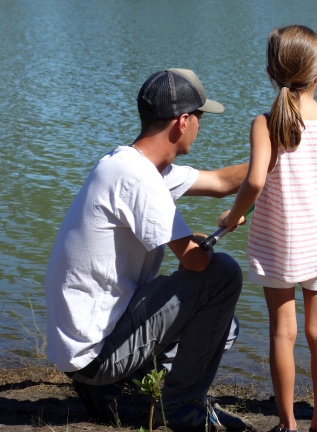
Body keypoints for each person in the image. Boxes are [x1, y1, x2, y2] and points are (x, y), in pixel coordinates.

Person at [45, 68, 250, 432]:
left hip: (86, 343)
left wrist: (275, 162)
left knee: (225, 328)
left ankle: (111, 388)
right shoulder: (137, 178)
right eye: (200, 118)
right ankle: (185, 409)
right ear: (183, 122)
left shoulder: (134, 165)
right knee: (223, 275)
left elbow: (220, 182)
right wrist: (218, 231)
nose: (201, 126)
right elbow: (196, 262)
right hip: (93, 354)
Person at [218, 25, 317, 432]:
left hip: (278, 246)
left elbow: (254, 181)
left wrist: (234, 215)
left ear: (271, 71)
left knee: (283, 332)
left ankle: (288, 424)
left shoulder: (264, 124)